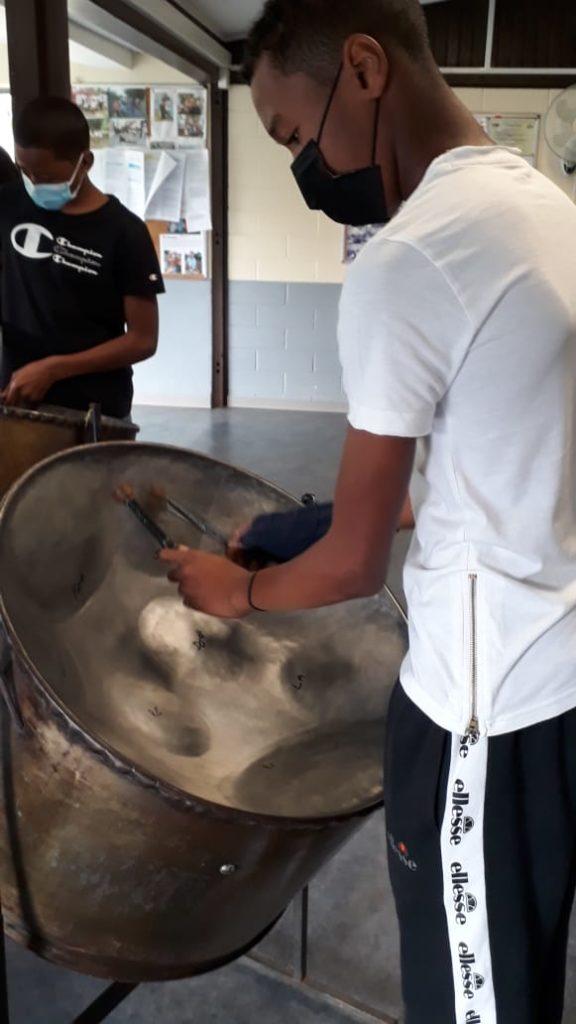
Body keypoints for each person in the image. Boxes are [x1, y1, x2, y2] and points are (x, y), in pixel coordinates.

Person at [161, 1, 576, 1022]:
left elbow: (349, 566)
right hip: (556, 675)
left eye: (297, 137)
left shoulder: (409, 258)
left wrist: (241, 587)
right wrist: (322, 521)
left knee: (473, 1000)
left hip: (490, 701)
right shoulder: (543, 208)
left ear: (364, 67)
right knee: (522, 968)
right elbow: (501, 453)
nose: (306, 174)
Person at [0, 96, 163, 419]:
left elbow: (143, 339)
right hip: (18, 404)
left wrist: (54, 369)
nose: (34, 184)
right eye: (25, 172)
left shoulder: (124, 232)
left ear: (85, 162)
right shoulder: (7, 207)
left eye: (46, 177)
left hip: (95, 413)